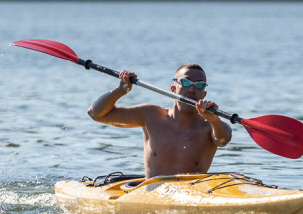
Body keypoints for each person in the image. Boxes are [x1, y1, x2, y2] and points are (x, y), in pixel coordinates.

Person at [87, 63, 232, 177]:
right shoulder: (151, 115)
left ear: (204, 93)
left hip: (191, 194)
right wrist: (120, 91)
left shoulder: (210, 125)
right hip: (154, 194)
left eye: (199, 85)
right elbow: (96, 113)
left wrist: (214, 120)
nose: (192, 89)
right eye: (186, 83)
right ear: (173, 89)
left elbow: (223, 140)